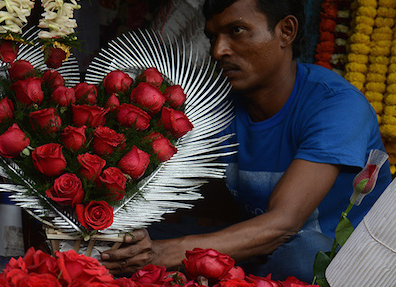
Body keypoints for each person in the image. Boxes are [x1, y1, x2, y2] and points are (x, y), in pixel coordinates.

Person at [99, 0, 392, 282]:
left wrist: (163, 253)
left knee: (306, 253)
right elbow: (193, 197)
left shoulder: (335, 105)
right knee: (122, 246)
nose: (218, 50)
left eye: (237, 31)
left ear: (286, 31)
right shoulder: (220, 106)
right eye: (213, 36)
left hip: (345, 264)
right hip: (261, 253)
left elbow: (283, 224)